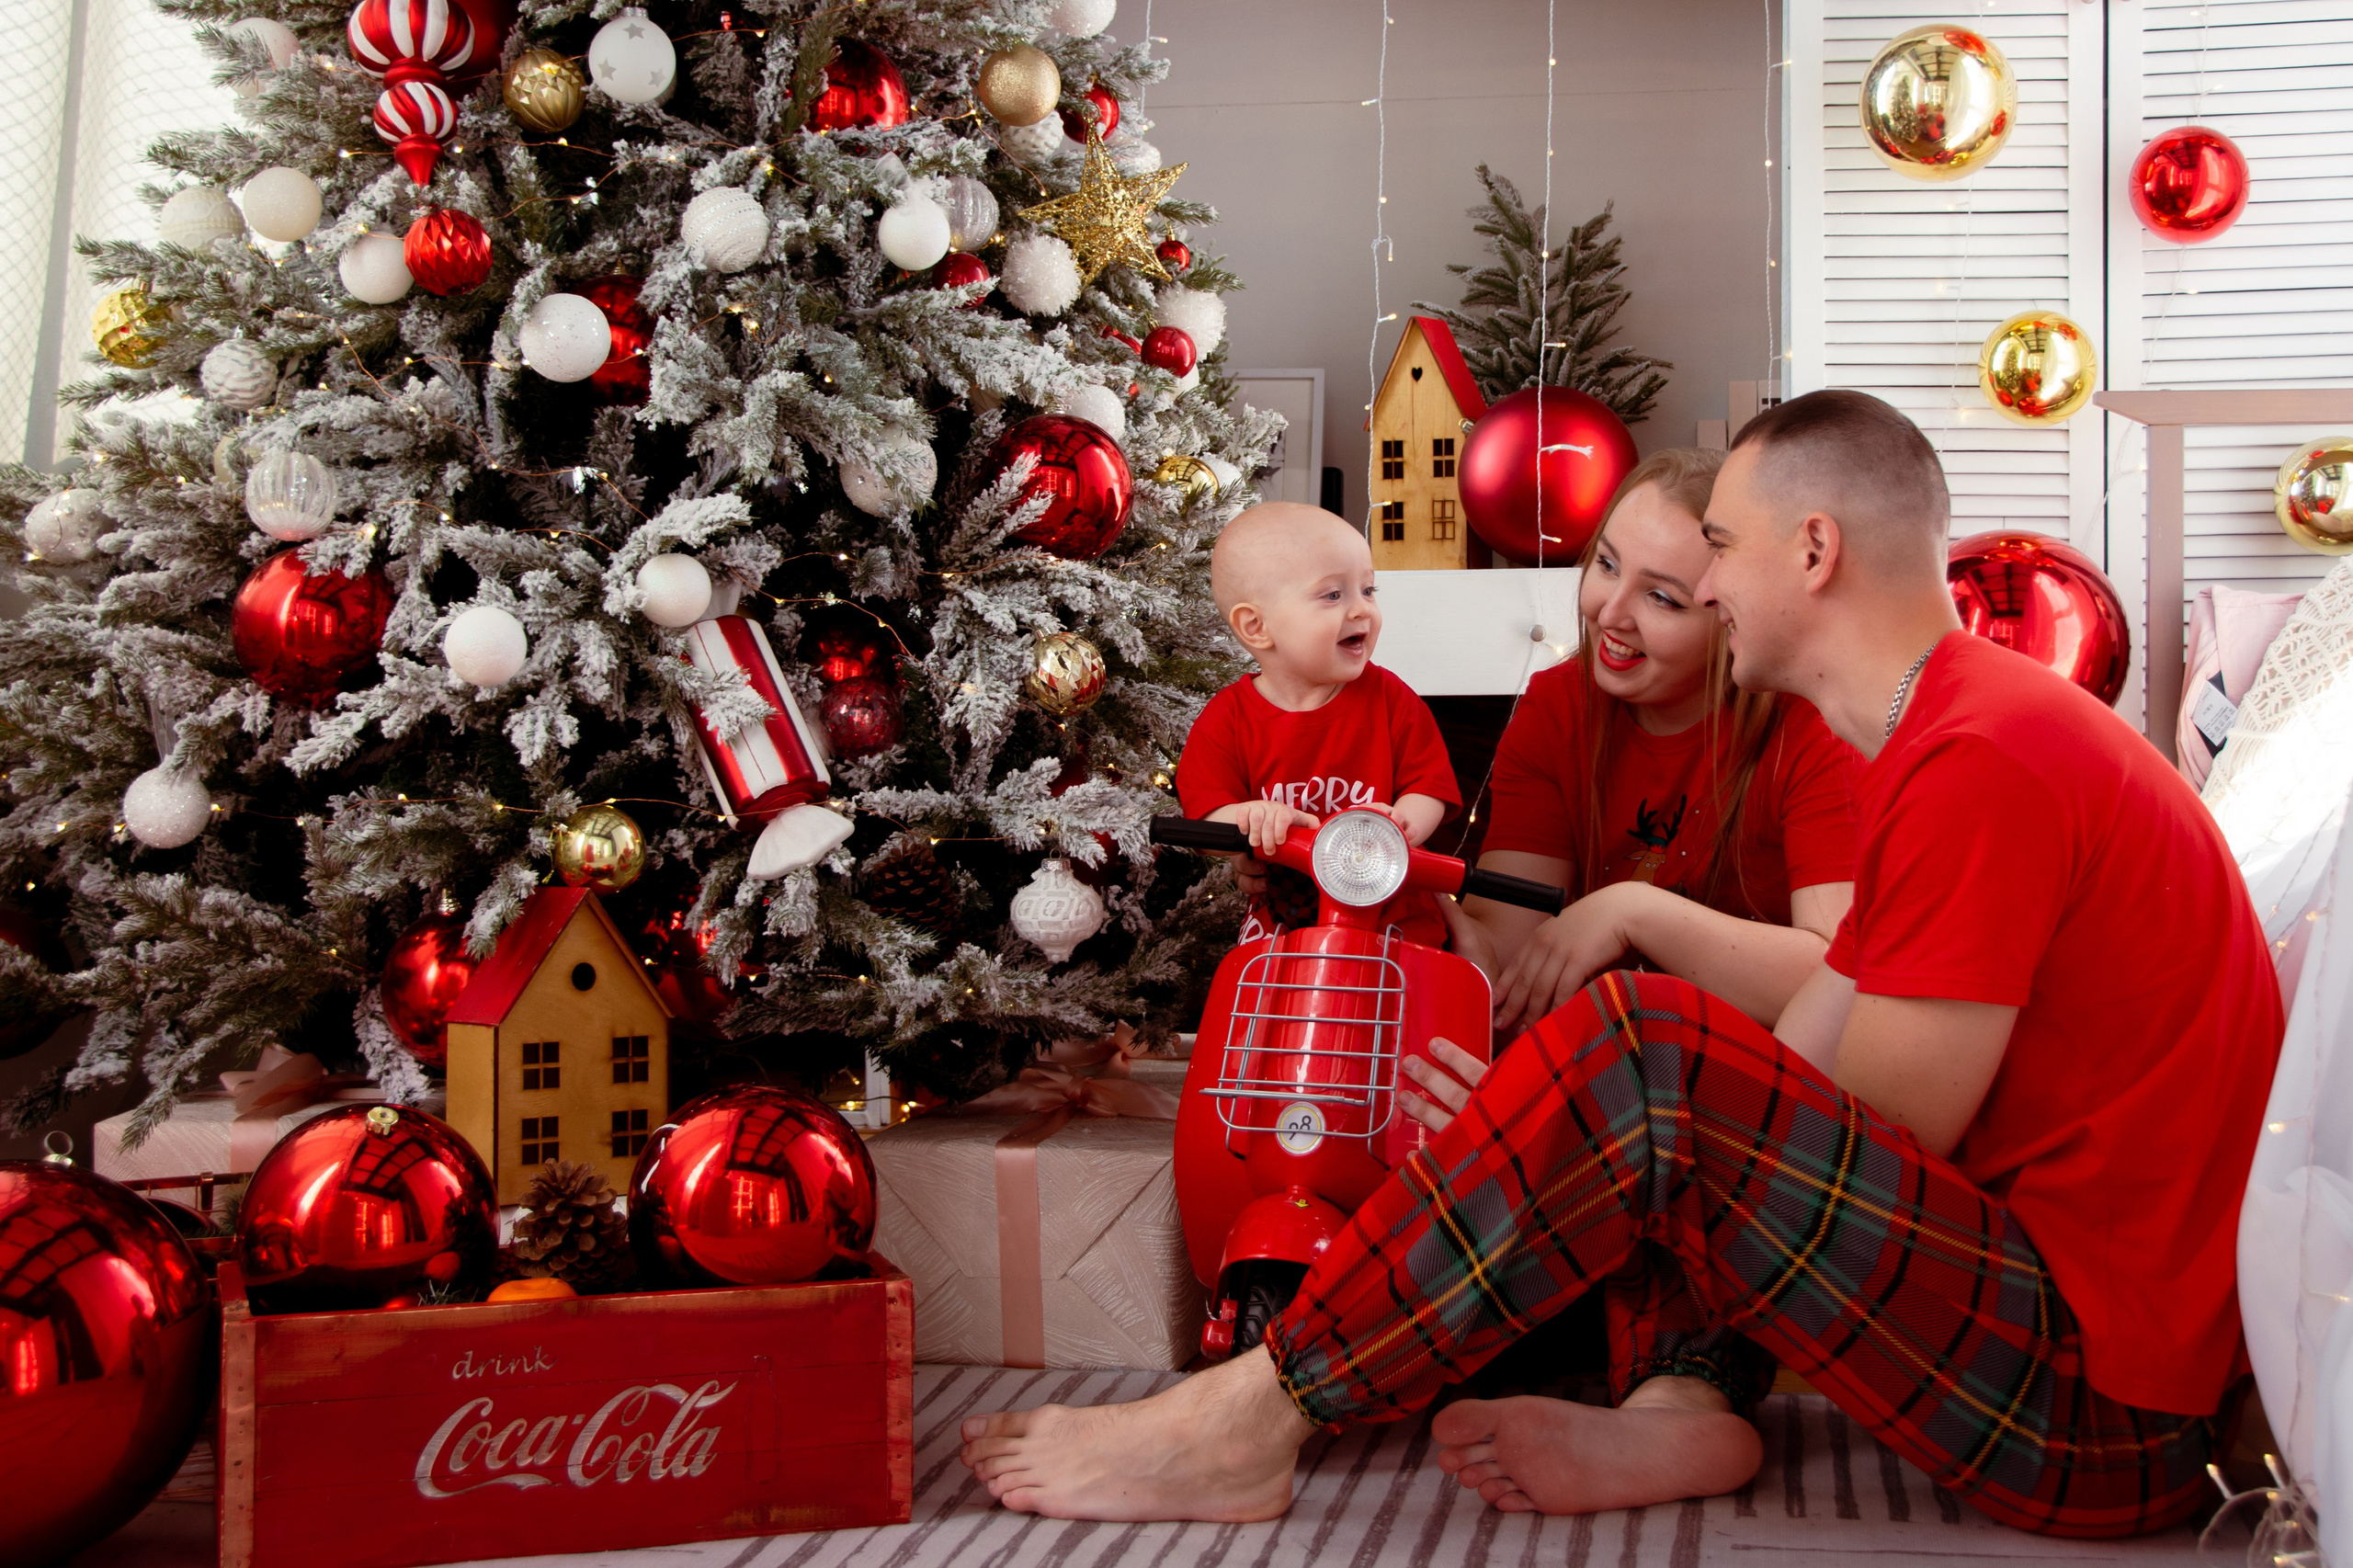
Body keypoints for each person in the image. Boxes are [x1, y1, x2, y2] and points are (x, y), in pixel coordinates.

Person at [958, 390, 2287, 1539]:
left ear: (1811, 550)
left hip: (2107, 1408)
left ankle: (1252, 1414)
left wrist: (1595, 1098)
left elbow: (1872, 1133)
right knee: (1635, 1060)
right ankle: (1639, 1397)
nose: (1700, 588)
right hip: (2065, 1337)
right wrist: (1538, 1119)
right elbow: (1814, 1051)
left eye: (1713, 550)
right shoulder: (1953, 732)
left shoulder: (1980, 756)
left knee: (1650, 1044)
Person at [1176, 501, 1460, 948]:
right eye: (1333, 595)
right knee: (1265, 1006)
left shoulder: (1389, 698)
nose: (1362, 610)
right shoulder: (1228, 717)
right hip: (1285, 926)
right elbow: (1206, 819)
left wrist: (1402, 823)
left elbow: (1432, 788)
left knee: (1407, 1002)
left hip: (1396, 922)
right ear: (1256, 626)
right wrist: (1250, 819)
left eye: (1368, 590)